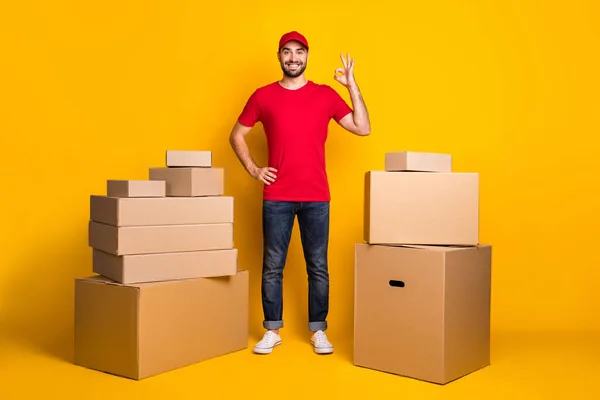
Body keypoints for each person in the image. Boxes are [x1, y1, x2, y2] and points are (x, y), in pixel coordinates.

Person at [229, 31, 371, 355]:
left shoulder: (324, 95)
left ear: (307, 56)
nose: (293, 58)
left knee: (317, 266)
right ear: (279, 56)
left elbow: (363, 127)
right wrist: (254, 170)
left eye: (299, 52)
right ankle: (272, 330)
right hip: (277, 196)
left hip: (317, 197)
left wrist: (351, 85)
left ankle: (318, 331)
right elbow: (236, 135)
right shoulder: (263, 96)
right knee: (272, 266)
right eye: (287, 52)